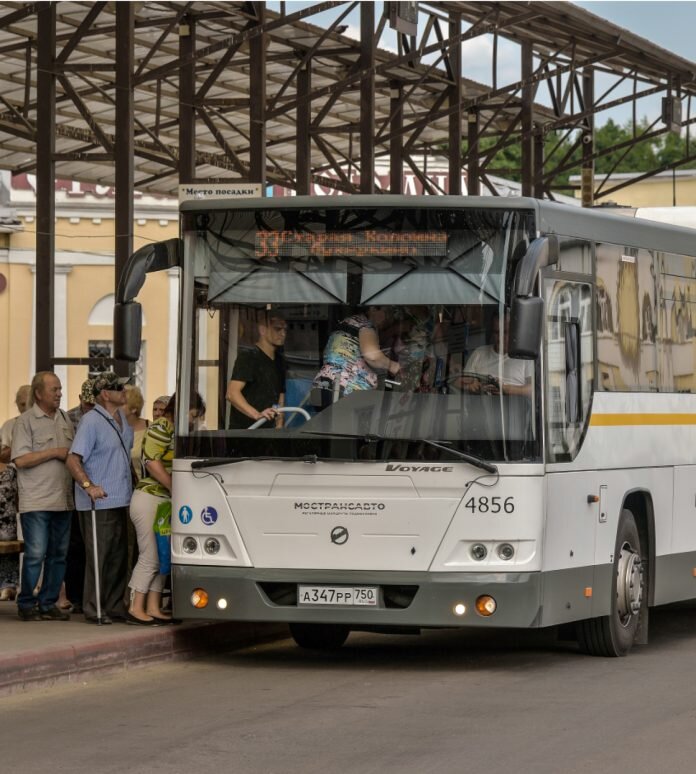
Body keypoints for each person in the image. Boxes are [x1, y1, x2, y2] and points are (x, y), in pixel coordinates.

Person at [126, 393, 204, 625]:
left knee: (162, 556)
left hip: (163, 501)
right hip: (149, 498)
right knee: (150, 556)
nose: (195, 419)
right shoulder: (162, 426)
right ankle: (135, 606)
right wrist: (173, 487)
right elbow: (151, 461)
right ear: (183, 408)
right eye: (194, 414)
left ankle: (153, 606)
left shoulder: (175, 428)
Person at [66, 371, 133, 624]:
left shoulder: (122, 418)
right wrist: (88, 485)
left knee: (118, 557)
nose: (125, 392)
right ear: (105, 394)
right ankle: (94, 608)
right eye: (119, 388)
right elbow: (73, 459)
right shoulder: (91, 421)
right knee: (100, 557)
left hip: (122, 498)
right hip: (99, 501)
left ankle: (114, 605)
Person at [11, 372, 74, 621]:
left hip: (64, 500)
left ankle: (48, 603)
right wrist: (55, 452)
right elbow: (21, 460)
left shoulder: (65, 418)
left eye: (60, 389)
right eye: (54, 389)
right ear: (38, 393)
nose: (59, 393)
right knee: (36, 554)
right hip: (36, 500)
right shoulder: (26, 421)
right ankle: (26, 603)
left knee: (59, 554)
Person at [312, 307, 400, 405]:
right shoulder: (365, 326)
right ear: (372, 309)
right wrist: (393, 366)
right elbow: (372, 356)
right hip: (344, 390)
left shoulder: (349, 323)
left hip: (325, 386)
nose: (388, 318)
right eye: (386, 313)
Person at [226, 313, 287, 429]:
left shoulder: (280, 361)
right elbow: (232, 394)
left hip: (269, 434)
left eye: (285, 329)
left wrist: (279, 426)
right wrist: (257, 415)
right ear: (263, 330)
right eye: (277, 329)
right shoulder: (248, 356)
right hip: (245, 431)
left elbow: (280, 397)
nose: (283, 334)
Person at [458, 311, 532, 397]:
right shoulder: (479, 353)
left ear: (514, 332)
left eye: (505, 332)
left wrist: (505, 389)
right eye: (497, 332)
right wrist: (471, 386)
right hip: (481, 407)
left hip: (514, 407)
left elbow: (533, 390)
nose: (500, 337)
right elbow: (459, 382)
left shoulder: (524, 356)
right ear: (492, 333)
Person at [0, 384, 31, 464]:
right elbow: (2, 457)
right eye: (23, 404)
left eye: (29, 404)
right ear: (17, 404)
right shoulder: (9, 425)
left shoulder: (45, 422)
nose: (26, 408)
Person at [124, 385, 148, 481]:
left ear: (134, 408)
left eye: (122, 404)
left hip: (145, 490)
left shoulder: (151, 429)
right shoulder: (112, 429)